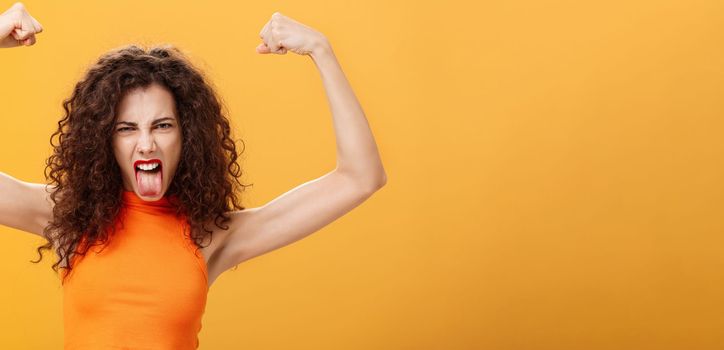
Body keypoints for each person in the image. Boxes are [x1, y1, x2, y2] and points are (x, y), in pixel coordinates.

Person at [0, 2, 387, 349]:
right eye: (127, 128)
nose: (146, 144)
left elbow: (360, 177)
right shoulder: (68, 218)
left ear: (188, 137)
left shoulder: (211, 234)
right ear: (105, 141)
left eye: (163, 125)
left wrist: (321, 50)